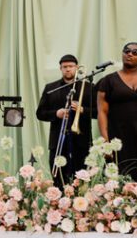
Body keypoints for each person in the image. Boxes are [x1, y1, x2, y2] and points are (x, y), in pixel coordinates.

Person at [96, 42, 137, 180]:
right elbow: (102, 112)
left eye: (135, 52)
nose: (129, 54)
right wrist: (105, 141)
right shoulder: (108, 81)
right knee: (119, 181)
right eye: (126, 51)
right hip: (119, 139)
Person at [35, 54, 95, 186]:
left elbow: (98, 112)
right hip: (58, 142)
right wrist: (57, 113)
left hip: (82, 141)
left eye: (71, 66)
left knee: (82, 180)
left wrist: (83, 110)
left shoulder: (89, 87)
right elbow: (40, 113)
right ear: (60, 69)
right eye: (65, 67)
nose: (68, 69)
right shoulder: (51, 88)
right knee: (58, 180)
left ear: (77, 68)